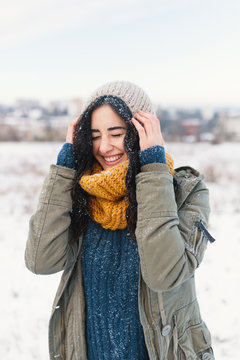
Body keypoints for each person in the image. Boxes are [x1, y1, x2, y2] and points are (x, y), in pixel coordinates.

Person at [25, 81, 215, 360]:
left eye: (116, 133)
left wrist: (152, 167)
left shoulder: (185, 193)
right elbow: (40, 261)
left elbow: (165, 275)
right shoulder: (80, 193)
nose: (104, 147)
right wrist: (66, 163)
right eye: (93, 135)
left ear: (142, 131)